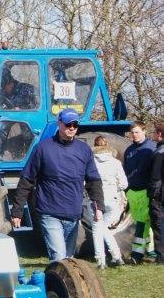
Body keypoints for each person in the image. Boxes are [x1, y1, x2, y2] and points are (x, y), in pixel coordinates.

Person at [10, 109, 104, 261]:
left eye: (75, 125)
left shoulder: (84, 150)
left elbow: (93, 180)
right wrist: (17, 211)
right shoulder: (43, 148)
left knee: (69, 260)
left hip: (73, 214)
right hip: (49, 212)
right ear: (59, 123)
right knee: (59, 258)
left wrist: (99, 205)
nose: (72, 128)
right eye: (68, 124)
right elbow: (27, 179)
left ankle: (55, 284)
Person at [90, 135, 127, 268]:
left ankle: (101, 260)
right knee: (103, 228)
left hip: (96, 199)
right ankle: (117, 257)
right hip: (112, 200)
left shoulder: (91, 162)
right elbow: (124, 184)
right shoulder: (115, 163)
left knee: (97, 229)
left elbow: (85, 182)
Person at [123, 121, 156, 264]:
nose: (134, 135)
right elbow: (126, 170)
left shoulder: (151, 148)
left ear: (144, 131)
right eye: (132, 133)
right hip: (132, 191)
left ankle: (137, 254)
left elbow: (147, 170)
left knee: (143, 223)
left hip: (145, 190)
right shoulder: (129, 150)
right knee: (140, 221)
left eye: (137, 132)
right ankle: (151, 250)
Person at [148, 120, 164, 264]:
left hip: (160, 196)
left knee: (159, 225)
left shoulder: (159, 152)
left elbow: (156, 177)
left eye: (154, 132)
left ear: (159, 134)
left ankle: (161, 256)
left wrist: (153, 196)